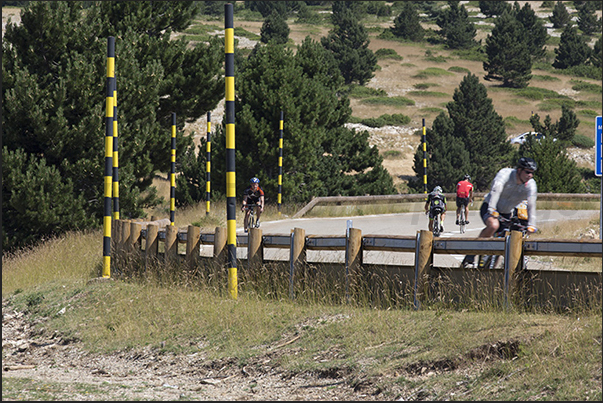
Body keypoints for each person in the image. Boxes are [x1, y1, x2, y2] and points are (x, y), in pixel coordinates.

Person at [462, 157, 538, 268]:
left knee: (502, 242)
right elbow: (495, 191)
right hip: (490, 206)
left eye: (532, 173)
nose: (530, 175)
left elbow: (531, 205)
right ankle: (471, 255)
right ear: (519, 170)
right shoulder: (505, 174)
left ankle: (492, 271)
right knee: (493, 225)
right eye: (527, 172)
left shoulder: (531, 185)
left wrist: (532, 224)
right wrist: (492, 209)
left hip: (507, 212)